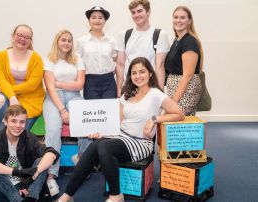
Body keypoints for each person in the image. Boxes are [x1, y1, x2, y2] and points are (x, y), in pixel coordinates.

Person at [57, 57, 184, 202]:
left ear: (150, 73)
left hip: (140, 142)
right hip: (121, 136)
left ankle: (116, 195)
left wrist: (155, 119)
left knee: (104, 146)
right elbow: (118, 122)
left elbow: (179, 114)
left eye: (142, 72)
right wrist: (101, 133)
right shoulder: (127, 94)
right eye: (134, 73)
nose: (138, 76)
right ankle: (67, 195)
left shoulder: (156, 94)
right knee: (94, 145)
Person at [0, 24, 45, 153]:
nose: (23, 39)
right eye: (19, 35)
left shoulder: (36, 58)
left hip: (31, 98)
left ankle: (7, 149)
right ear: (13, 36)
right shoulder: (0, 56)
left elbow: (32, 85)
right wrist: (12, 97)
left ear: (30, 41)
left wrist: (7, 90)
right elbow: (1, 79)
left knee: (17, 128)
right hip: (8, 96)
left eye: (27, 37)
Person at [0, 105, 59, 202]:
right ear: (5, 121)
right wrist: (16, 172)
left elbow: (51, 154)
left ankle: (31, 199)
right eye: (13, 121)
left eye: (22, 122)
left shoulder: (28, 137)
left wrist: (35, 172)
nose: (18, 125)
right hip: (4, 188)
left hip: (26, 186)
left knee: (42, 161)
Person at [43, 29, 85, 196]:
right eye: (63, 40)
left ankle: (81, 159)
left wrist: (59, 82)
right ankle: (52, 174)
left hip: (74, 96)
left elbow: (79, 85)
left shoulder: (77, 59)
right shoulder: (48, 59)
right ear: (57, 42)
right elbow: (50, 88)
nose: (66, 43)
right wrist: (62, 110)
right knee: (53, 129)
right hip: (54, 98)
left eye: (69, 40)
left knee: (85, 122)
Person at [73, 6, 117, 165]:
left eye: (100, 17)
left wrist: (118, 84)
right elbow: (77, 64)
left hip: (108, 81)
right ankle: (91, 159)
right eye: (94, 17)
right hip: (90, 81)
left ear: (105, 21)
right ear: (89, 20)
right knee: (93, 121)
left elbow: (116, 62)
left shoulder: (112, 40)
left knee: (108, 120)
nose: (97, 20)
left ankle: (106, 157)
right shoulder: (81, 41)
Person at [115, 0, 170, 97]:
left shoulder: (160, 35)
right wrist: (119, 88)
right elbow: (120, 64)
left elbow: (160, 66)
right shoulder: (124, 35)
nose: (136, 15)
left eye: (140, 11)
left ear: (148, 12)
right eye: (133, 12)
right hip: (129, 88)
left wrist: (160, 92)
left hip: (151, 88)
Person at [165, 6, 203, 116]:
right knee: (183, 123)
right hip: (176, 88)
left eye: (182, 18)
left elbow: (187, 75)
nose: (178, 20)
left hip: (186, 89)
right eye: (175, 17)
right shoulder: (177, 41)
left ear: (189, 21)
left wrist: (173, 102)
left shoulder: (189, 42)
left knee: (175, 117)